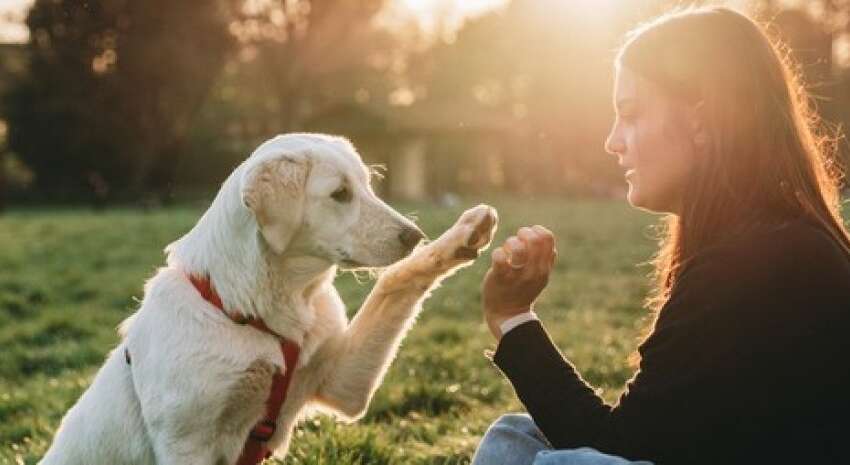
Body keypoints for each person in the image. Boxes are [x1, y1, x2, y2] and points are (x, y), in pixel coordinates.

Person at [471, 6, 850, 465]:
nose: (613, 141)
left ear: (700, 121)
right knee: (514, 437)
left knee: (561, 462)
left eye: (630, 115)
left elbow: (620, 446)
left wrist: (512, 317)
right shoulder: (770, 240)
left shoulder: (759, 262)